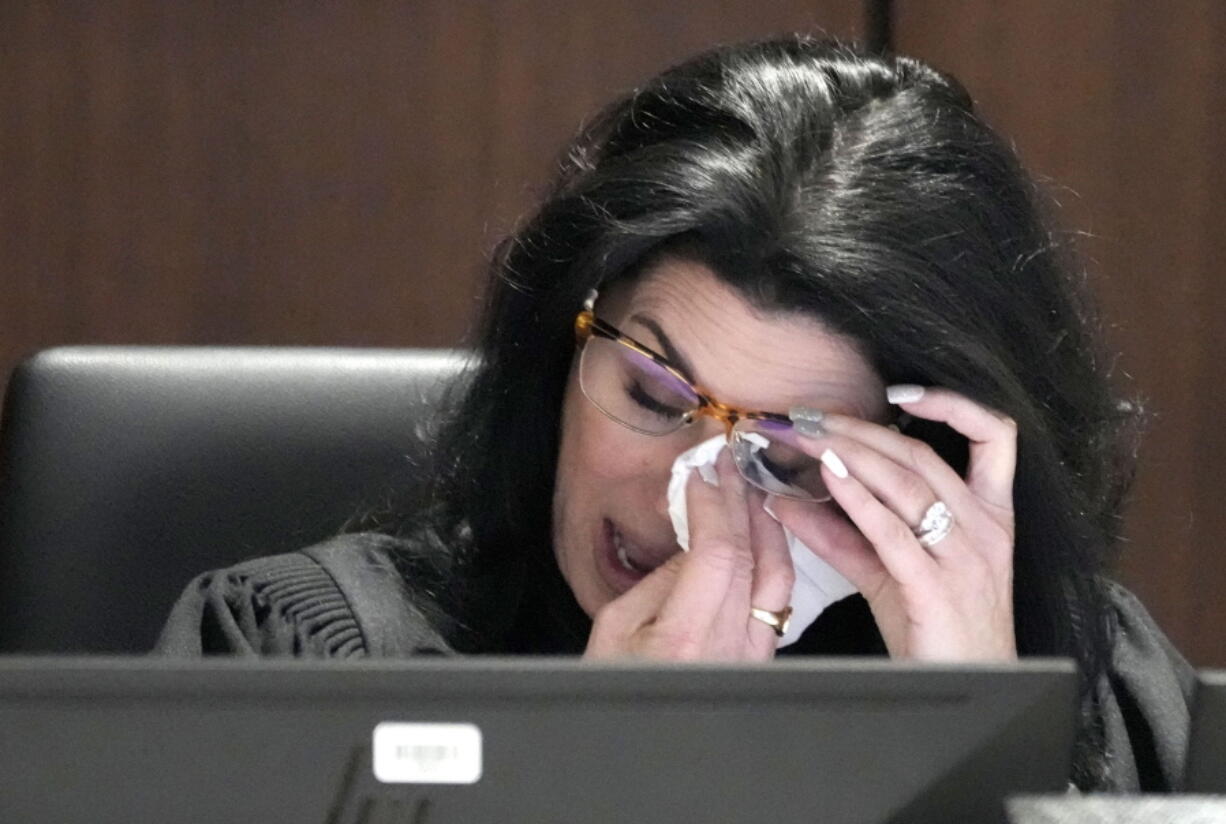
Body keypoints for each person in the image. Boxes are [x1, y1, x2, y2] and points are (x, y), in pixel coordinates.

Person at [156, 36, 1193, 792]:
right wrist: (593, 769)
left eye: (786, 456)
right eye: (654, 395)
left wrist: (977, 743)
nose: (679, 500)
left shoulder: (1104, 691)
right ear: (561, 350)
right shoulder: (295, 659)